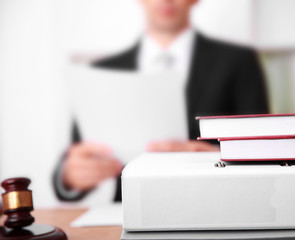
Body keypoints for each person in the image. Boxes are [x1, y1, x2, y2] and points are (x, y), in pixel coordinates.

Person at [53, 0, 269, 202]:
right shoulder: (103, 71)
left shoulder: (239, 62)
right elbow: (75, 154)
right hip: (130, 213)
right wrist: (69, 177)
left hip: (216, 204)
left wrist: (214, 158)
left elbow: (265, 151)